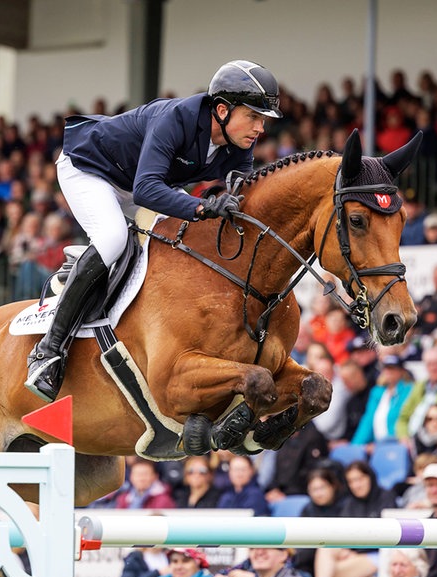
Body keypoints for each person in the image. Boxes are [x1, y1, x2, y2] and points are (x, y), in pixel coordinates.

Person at [25, 60, 282, 402]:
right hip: (89, 168)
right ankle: (48, 350)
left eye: (263, 120)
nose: (260, 128)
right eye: (254, 116)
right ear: (222, 109)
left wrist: (225, 203)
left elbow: (238, 190)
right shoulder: (175, 119)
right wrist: (201, 207)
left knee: (184, 237)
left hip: (138, 182)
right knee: (113, 237)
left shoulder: (241, 142)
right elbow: (147, 191)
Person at [352, 355, 413, 446]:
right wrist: (355, 446)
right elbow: (368, 421)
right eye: (386, 368)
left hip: (396, 443)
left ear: (401, 371)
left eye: (393, 368)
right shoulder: (377, 392)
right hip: (378, 444)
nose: (388, 372)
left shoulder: (409, 390)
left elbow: (401, 418)